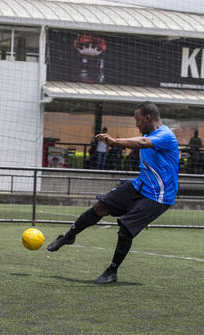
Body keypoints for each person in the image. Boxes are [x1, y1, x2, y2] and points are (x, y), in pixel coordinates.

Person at [47, 101, 179, 283]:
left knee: (125, 230)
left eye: (137, 120)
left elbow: (142, 142)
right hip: (139, 186)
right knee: (100, 206)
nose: (136, 124)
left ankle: (112, 271)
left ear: (148, 118)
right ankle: (68, 237)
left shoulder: (165, 135)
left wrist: (115, 141)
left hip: (159, 197)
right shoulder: (150, 134)